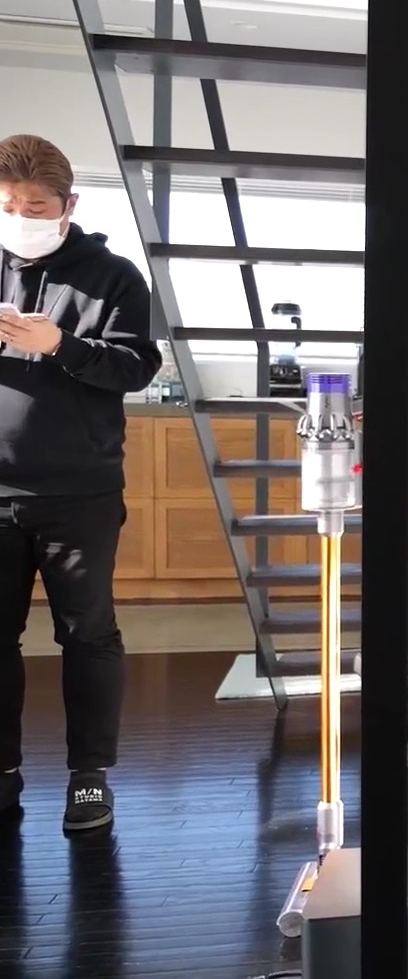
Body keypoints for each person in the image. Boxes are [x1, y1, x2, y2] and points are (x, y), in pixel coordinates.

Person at [0, 134, 162, 832]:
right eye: (8, 206)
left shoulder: (114, 277)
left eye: (35, 207)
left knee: (88, 634)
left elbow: (135, 368)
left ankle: (89, 777)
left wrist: (60, 346)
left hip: (80, 493)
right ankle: (2, 773)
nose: (20, 217)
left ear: (69, 205)